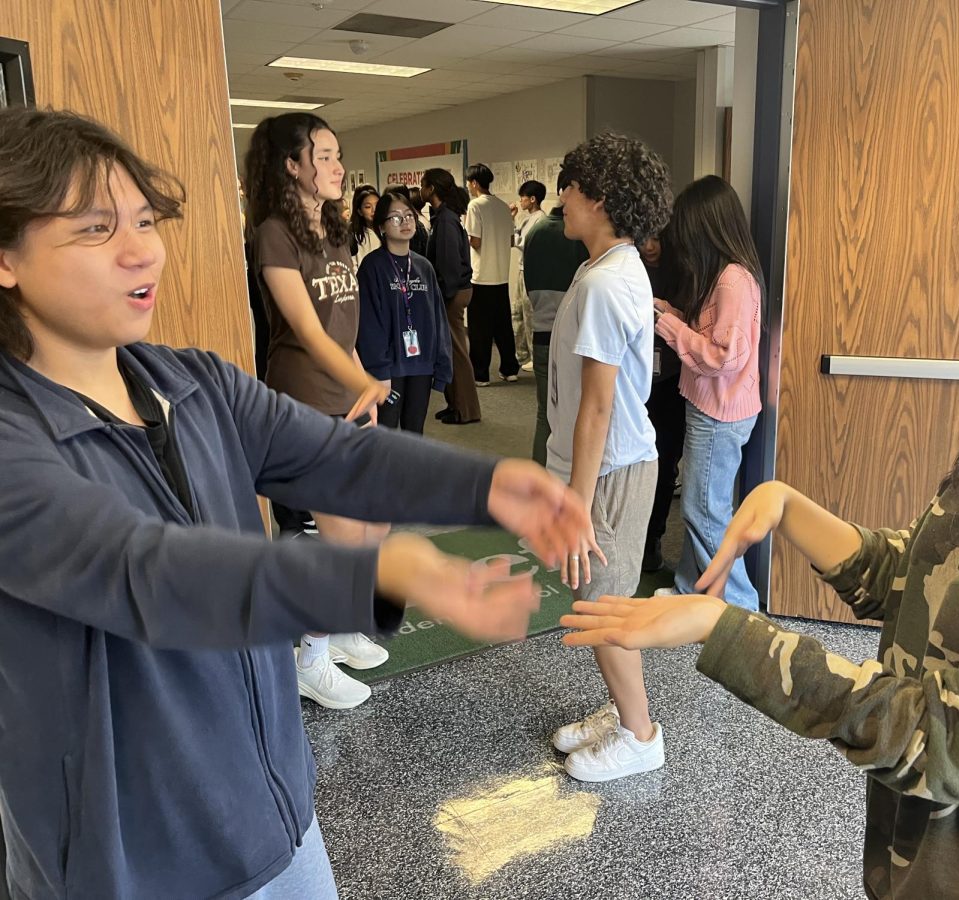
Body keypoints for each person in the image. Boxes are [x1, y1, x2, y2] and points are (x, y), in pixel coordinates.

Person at [562, 107, 959, 897]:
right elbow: (939, 585)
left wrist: (727, 629)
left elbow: (954, 740)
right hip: (924, 860)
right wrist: (795, 511)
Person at [0, 105, 589, 900]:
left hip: (278, 817)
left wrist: (484, 485)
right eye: (96, 230)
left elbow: (332, 456)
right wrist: (376, 573)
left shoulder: (191, 382)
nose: (143, 250)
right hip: (136, 865)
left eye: (143, 219)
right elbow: (152, 576)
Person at [245, 113, 395, 709]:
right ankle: (309, 652)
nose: (337, 167)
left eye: (337, 155)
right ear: (293, 165)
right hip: (303, 397)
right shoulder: (274, 234)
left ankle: (333, 629)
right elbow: (306, 330)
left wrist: (363, 395)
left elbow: (342, 323)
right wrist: (366, 383)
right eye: (325, 156)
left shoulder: (334, 232)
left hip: (345, 397)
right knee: (337, 537)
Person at [547, 133, 673, 782]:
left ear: (598, 197)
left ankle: (641, 736)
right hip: (610, 466)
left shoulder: (605, 283)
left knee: (605, 611)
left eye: (569, 187)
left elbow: (597, 406)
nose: (560, 198)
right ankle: (625, 714)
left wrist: (576, 500)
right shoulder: (607, 268)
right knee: (601, 604)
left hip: (612, 472)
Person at [654, 176, 763, 608]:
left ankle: (740, 608)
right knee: (704, 505)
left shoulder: (732, 280)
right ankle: (689, 589)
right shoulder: (726, 275)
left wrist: (669, 325)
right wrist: (672, 312)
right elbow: (713, 335)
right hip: (714, 408)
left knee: (704, 511)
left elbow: (723, 358)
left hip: (719, 414)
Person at [356, 189, 452, 434]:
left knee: (414, 434)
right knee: (385, 435)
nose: (405, 222)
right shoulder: (372, 266)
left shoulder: (423, 266)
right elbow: (368, 324)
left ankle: (411, 474)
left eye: (409, 215)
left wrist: (442, 365)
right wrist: (379, 370)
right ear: (381, 227)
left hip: (420, 366)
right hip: (389, 368)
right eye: (395, 217)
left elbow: (438, 318)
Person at [523, 171, 589, 466]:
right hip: (573, 340)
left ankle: (539, 479)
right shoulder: (579, 239)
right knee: (577, 414)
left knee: (544, 414)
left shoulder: (535, 231)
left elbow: (530, 285)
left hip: (541, 332)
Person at [638, 233, 684, 573]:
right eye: (643, 237)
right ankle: (633, 537)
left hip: (672, 380)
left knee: (665, 464)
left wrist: (669, 313)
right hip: (635, 380)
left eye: (657, 237)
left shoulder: (685, 272)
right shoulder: (628, 268)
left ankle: (653, 537)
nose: (650, 245)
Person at [421, 168, 480, 426]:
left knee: (456, 353)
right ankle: (454, 403)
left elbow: (449, 266)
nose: (421, 189)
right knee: (449, 351)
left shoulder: (445, 220)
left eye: (423, 185)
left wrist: (441, 297)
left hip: (452, 294)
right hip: (454, 291)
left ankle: (466, 410)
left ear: (431, 188)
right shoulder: (444, 216)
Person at [465, 163, 520, 386]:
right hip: (501, 275)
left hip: (481, 276)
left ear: (475, 183)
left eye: (469, 182)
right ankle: (509, 369)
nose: (468, 186)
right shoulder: (501, 207)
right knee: (503, 325)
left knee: (479, 329)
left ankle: (480, 374)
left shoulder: (475, 206)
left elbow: (476, 241)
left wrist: (463, 236)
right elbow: (509, 241)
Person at [510, 178, 546, 370]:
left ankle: (533, 356)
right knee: (517, 312)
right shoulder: (527, 218)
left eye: (523, 197)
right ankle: (521, 355)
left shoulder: (541, 218)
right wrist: (513, 218)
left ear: (532, 199)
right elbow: (517, 237)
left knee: (530, 314)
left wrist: (515, 238)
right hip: (522, 268)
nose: (520, 200)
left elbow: (524, 242)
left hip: (531, 271)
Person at [348, 183, 380, 272]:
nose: (374, 210)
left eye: (377, 205)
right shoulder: (353, 235)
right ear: (359, 211)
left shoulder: (387, 231)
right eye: (368, 207)